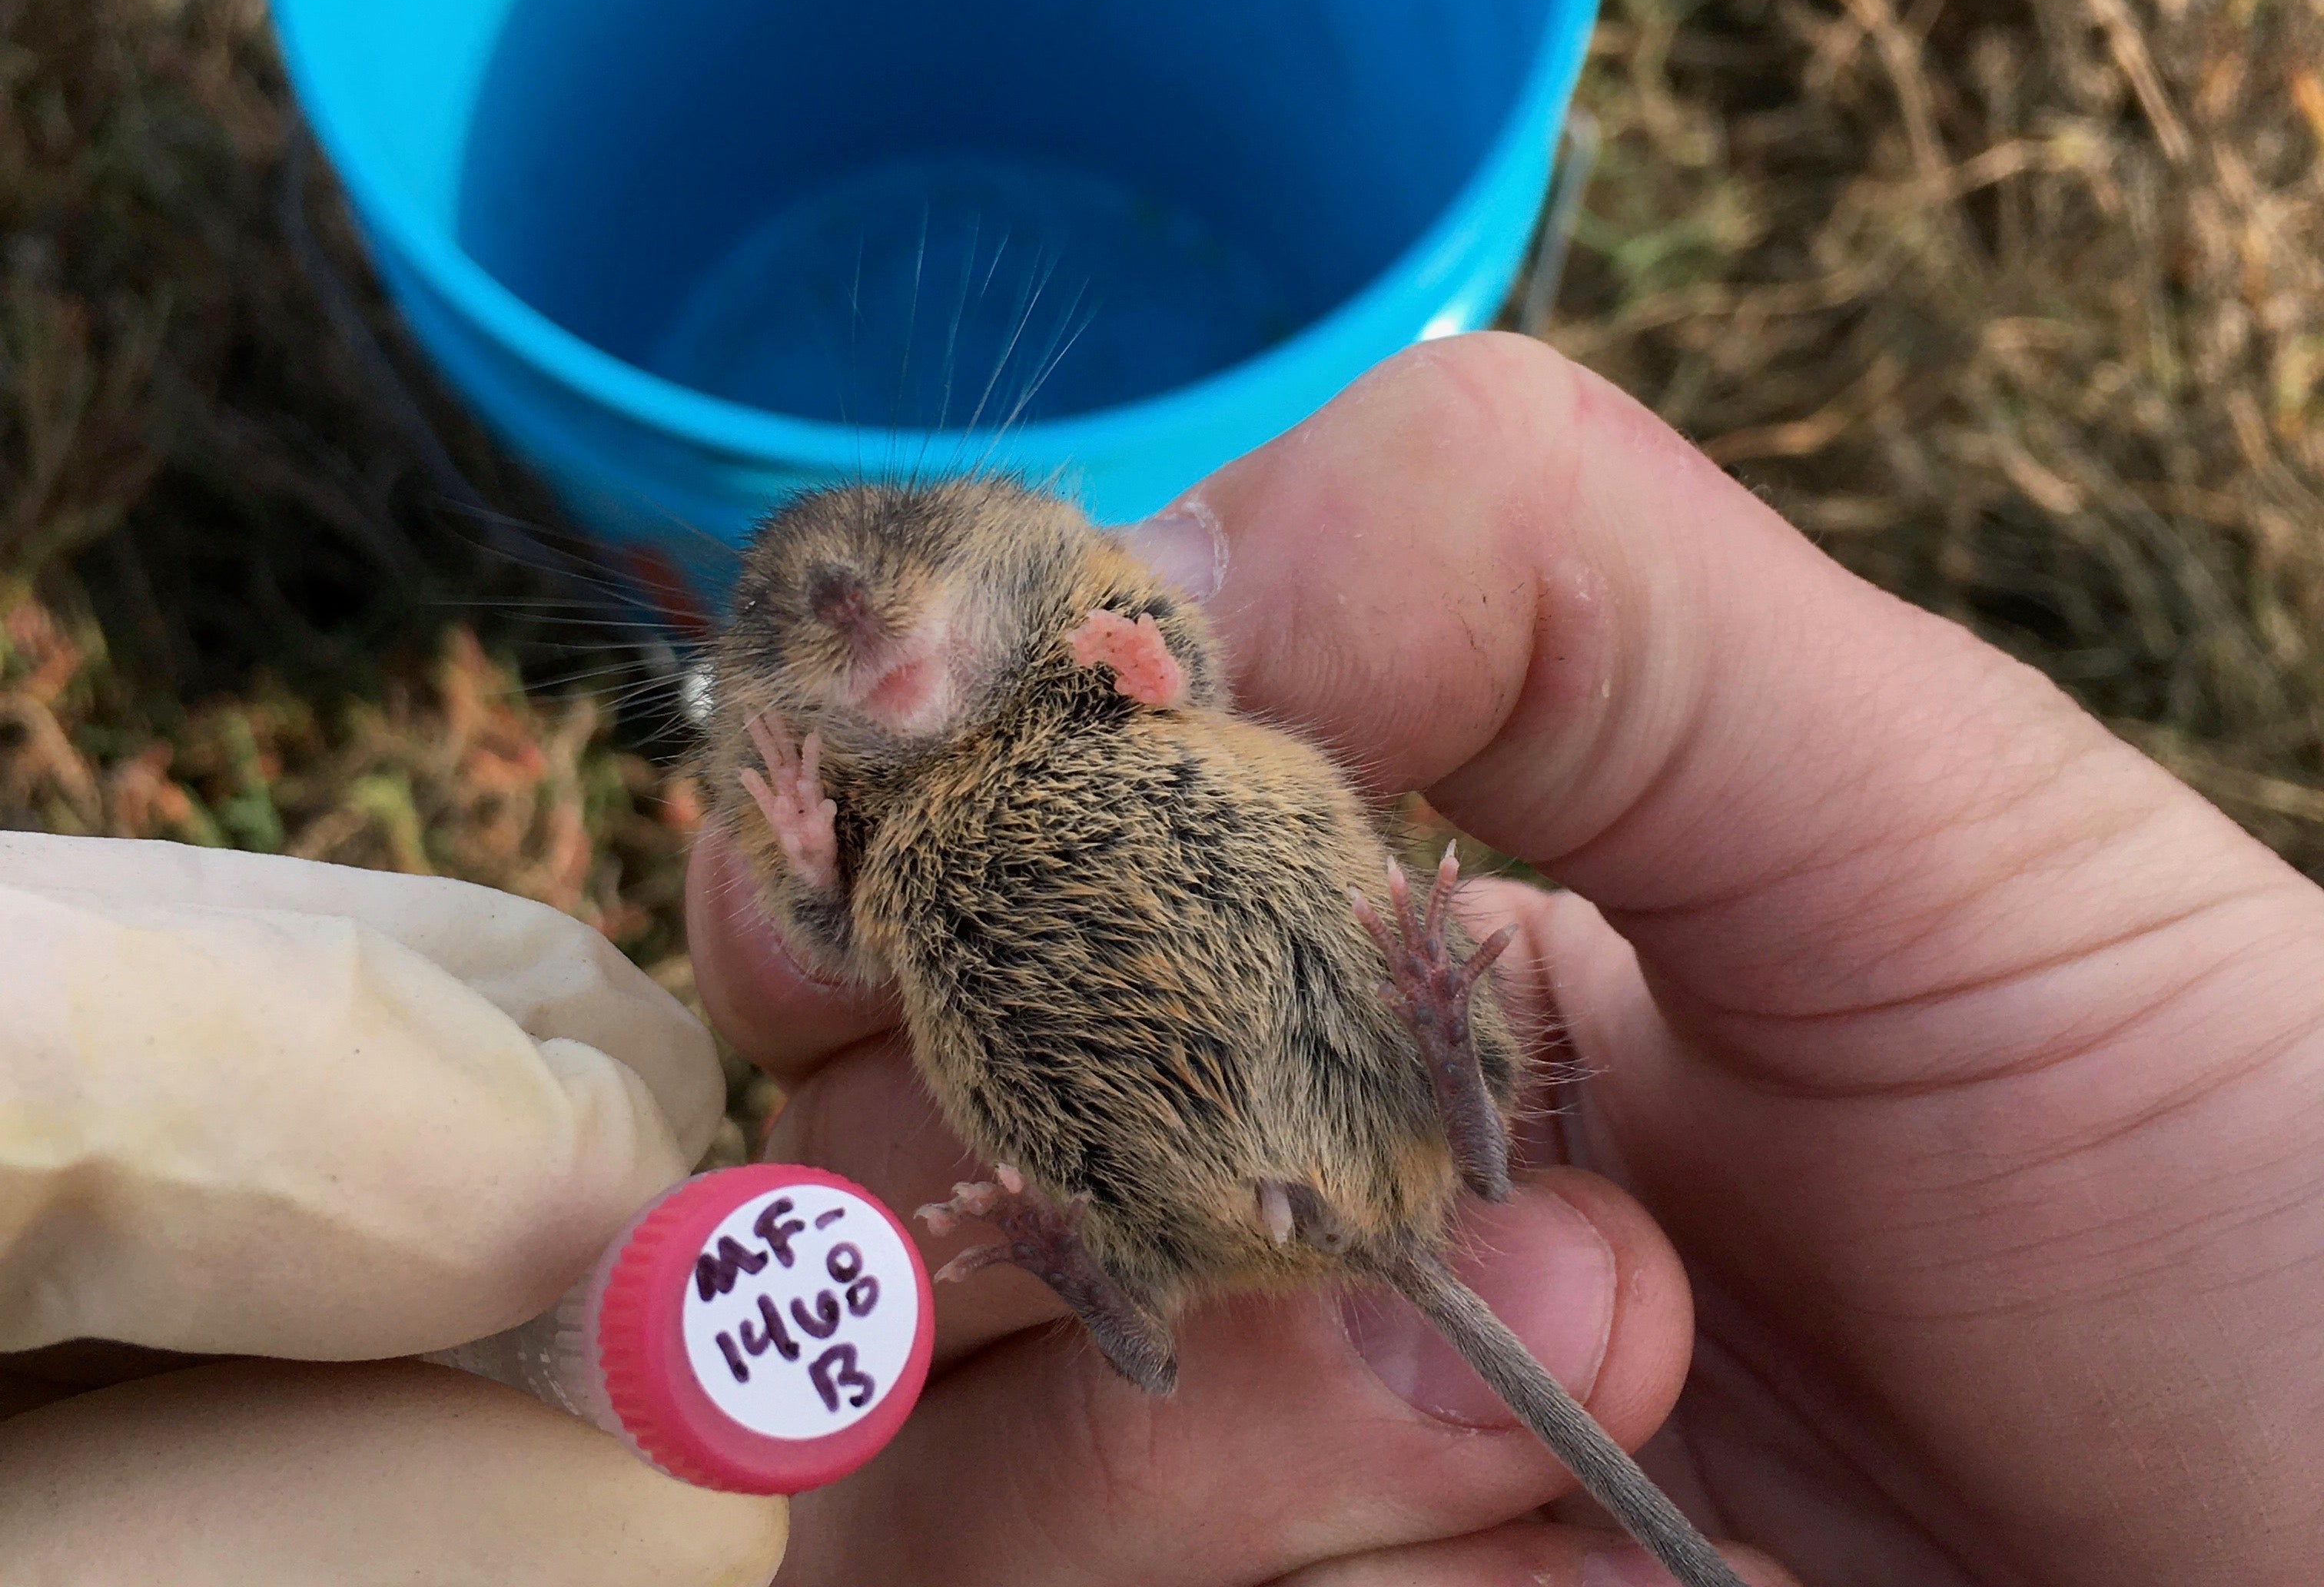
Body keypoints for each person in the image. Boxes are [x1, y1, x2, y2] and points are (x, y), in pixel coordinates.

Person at [2, 334, 2314, 1584]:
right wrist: (817, 857)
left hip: (1360, 1080)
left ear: (1001, 560)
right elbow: (826, 941)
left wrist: (1154, 661)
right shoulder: (859, 839)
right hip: (1241, 1136)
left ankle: (1216, 1184)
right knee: (1217, 1206)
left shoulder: (1121, 648)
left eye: (882, 575)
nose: (863, 637)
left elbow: (1167, 647)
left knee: (1363, 1139)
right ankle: (1117, 1248)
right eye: (807, 641)